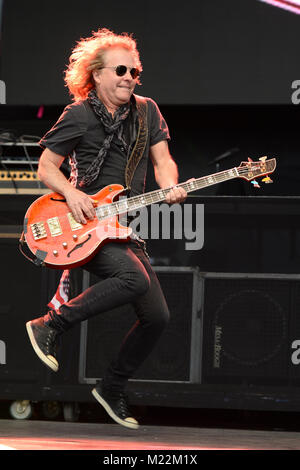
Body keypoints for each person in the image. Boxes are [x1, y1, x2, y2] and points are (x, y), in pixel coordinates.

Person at [26, 28, 187, 430]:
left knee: (158, 317)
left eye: (134, 70)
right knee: (132, 279)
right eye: (120, 70)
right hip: (84, 224)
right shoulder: (78, 114)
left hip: (123, 222)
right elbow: (47, 167)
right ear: (96, 75)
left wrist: (170, 185)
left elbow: (163, 159)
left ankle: (111, 387)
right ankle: (52, 324)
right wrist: (72, 193)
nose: (129, 77)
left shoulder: (147, 110)